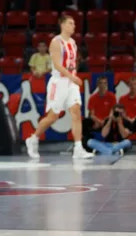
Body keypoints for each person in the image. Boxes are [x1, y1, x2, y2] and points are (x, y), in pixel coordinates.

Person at [25, 14, 95, 159]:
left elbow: (72, 62)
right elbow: (57, 64)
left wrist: (73, 75)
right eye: (70, 23)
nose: (73, 26)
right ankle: (33, 138)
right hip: (59, 82)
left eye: (74, 23)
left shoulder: (73, 43)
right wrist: (72, 77)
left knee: (76, 111)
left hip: (71, 82)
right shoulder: (56, 42)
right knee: (53, 116)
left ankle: (78, 148)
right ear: (62, 25)